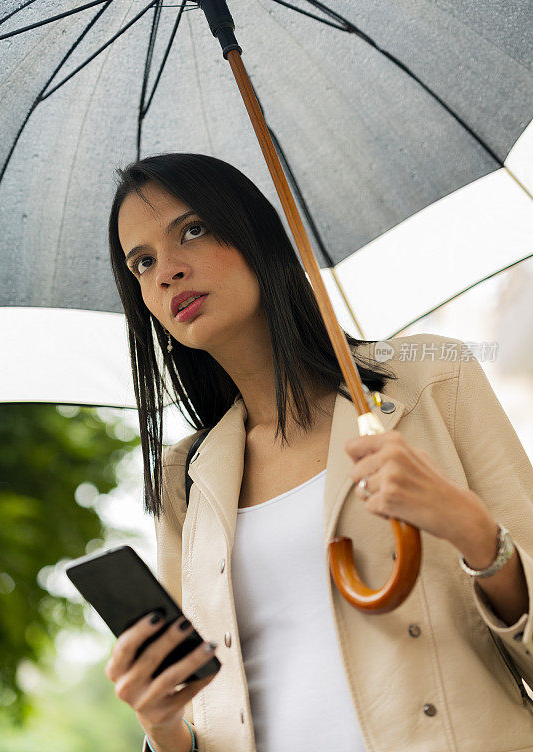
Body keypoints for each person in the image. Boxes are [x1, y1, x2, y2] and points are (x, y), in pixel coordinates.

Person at [105, 152, 533, 752]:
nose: (167, 272)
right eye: (142, 263)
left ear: (254, 233)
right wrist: (162, 729)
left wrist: (474, 532)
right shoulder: (186, 481)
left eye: (193, 230)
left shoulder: (432, 381)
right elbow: (210, 717)